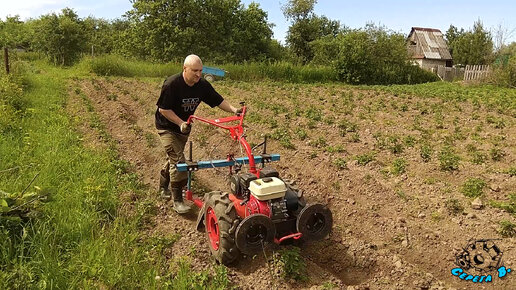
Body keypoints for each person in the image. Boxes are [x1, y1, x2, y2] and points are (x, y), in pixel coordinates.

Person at [155, 54, 241, 214]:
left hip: (184, 129)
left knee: (174, 157)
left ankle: (162, 186)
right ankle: (178, 201)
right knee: (179, 162)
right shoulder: (172, 84)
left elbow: (217, 100)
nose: (198, 74)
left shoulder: (202, 85)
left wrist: (235, 110)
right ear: (184, 69)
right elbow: (163, 109)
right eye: (194, 71)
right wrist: (180, 123)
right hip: (167, 126)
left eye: (200, 71)